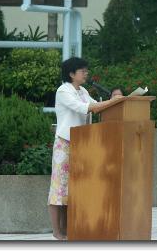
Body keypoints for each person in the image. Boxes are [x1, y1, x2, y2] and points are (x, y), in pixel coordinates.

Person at [47, 57, 122, 240]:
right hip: (65, 144)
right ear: (72, 73)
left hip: (82, 144)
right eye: (83, 71)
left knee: (75, 189)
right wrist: (114, 101)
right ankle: (57, 232)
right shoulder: (63, 91)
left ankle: (69, 228)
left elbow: (97, 106)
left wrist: (116, 101)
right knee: (59, 189)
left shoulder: (83, 90)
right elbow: (85, 108)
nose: (86, 74)